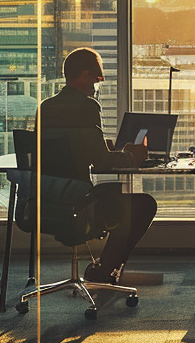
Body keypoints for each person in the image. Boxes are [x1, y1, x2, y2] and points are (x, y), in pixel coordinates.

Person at [40, 47, 158, 284]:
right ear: (84, 75)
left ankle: (104, 269)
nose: (96, 86)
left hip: (46, 201)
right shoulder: (87, 106)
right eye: (96, 79)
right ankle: (106, 269)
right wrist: (130, 156)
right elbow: (101, 161)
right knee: (143, 204)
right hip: (79, 201)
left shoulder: (45, 107)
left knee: (120, 197)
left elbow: (70, 149)